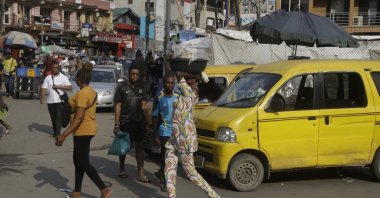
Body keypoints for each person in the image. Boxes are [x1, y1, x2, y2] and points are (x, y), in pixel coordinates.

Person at [55, 62, 112, 198]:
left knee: (83, 162)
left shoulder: (82, 94)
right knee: (78, 160)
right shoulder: (91, 91)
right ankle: (77, 192)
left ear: (80, 79)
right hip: (88, 128)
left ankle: (104, 190)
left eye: (76, 78)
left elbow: (79, 117)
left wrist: (64, 135)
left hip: (83, 129)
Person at [165, 71, 220, 198]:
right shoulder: (187, 93)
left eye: (195, 83)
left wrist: (195, 75)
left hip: (185, 139)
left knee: (191, 173)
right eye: (193, 82)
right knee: (169, 169)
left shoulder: (189, 93)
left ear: (198, 90)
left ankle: (213, 195)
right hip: (175, 137)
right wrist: (195, 76)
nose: (192, 83)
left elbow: (179, 74)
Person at [113, 65, 150, 183]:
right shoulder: (121, 87)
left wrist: (148, 122)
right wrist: (116, 124)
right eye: (132, 74)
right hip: (125, 122)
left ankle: (140, 172)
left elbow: (144, 106)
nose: (134, 76)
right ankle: (122, 168)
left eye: (136, 74)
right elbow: (118, 105)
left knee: (140, 147)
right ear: (129, 74)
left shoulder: (142, 87)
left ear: (139, 76)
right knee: (124, 147)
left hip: (139, 123)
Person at [152, 73, 178, 192]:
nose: (170, 85)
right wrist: (156, 135)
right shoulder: (159, 97)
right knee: (166, 156)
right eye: (167, 83)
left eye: (172, 83)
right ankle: (164, 181)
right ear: (163, 83)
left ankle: (160, 172)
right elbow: (154, 117)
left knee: (171, 158)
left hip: (175, 132)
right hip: (164, 131)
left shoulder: (178, 97)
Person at [40, 61, 72, 138]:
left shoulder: (63, 77)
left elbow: (69, 87)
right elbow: (44, 88)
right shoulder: (48, 78)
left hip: (60, 101)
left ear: (59, 68)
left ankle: (57, 133)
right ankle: (55, 131)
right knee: (53, 117)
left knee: (58, 116)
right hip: (50, 101)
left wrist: (59, 87)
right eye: (53, 68)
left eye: (56, 68)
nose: (54, 69)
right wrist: (42, 98)